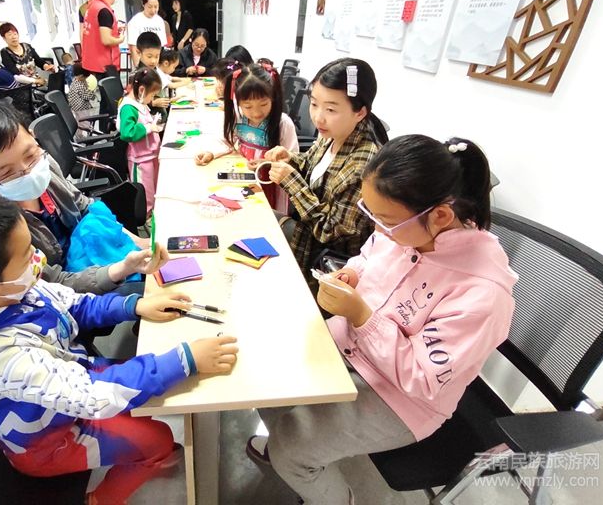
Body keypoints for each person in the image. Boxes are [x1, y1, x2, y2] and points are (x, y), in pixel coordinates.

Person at [0, 189, 239, 504]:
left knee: (154, 391)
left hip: (67, 387)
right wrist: (185, 359)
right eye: (27, 255)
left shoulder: (14, 291)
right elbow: (93, 396)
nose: (39, 258)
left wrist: (134, 306)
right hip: (47, 441)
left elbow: (76, 305)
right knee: (159, 439)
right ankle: (99, 499)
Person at [246, 134, 516, 505]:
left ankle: (309, 473)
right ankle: (293, 450)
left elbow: (421, 378)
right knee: (261, 378)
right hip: (349, 346)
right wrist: (351, 275)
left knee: (292, 452)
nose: (377, 228)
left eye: (384, 220)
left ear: (440, 215)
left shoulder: (482, 292)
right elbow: (367, 258)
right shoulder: (403, 230)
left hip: (402, 398)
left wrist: (361, 315)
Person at [0, 99, 157, 295]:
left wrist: (136, 242)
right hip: (57, 294)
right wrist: (122, 269)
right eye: (6, 173)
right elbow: (50, 284)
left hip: (89, 259)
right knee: (151, 293)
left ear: (32, 136)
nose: (28, 171)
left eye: (30, 155)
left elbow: (83, 206)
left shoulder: (41, 162)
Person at [262, 58, 389, 274]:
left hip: (324, 260)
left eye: (330, 109)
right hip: (305, 231)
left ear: (360, 112)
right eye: (314, 104)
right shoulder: (333, 132)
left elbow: (330, 232)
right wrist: (290, 158)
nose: (318, 118)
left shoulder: (364, 166)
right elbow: (313, 165)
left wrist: (292, 182)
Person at [195, 63, 298, 212]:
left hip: (271, 182)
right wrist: (210, 153)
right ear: (237, 102)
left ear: (273, 98)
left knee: (267, 213)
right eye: (248, 107)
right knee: (244, 211)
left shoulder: (283, 123)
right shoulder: (238, 117)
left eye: (264, 104)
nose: (256, 113)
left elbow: (293, 157)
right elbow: (225, 141)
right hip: (244, 175)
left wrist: (267, 163)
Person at [117, 68, 164, 218]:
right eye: (152, 95)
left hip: (150, 154)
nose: (152, 99)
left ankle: (153, 215)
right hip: (140, 160)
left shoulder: (139, 102)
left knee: (154, 190)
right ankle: (146, 221)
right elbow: (127, 132)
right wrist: (148, 127)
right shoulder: (128, 107)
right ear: (142, 90)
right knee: (145, 195)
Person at [81, 0, 125, 80]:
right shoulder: (104, 10)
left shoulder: (92, 6)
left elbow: (95, 30)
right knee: (111, 92)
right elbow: (106, 40)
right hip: (104, 67)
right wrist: (120, 39)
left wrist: (115, 29)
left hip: (91, 63)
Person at [127, 0, 166, 66]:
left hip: (156, 63)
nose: (153, 10)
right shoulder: (135, 21)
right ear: (143, 4)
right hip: (142, 62)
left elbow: (161, 46)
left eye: (156, 7)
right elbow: (133, 47)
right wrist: (138, 66)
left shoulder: (160, 21)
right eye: (150, 7)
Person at [67, 63, 101, 138]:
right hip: (81, 107)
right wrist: (93, 93)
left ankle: (78, 135)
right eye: (85, 78)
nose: (86, 79)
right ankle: (86, 136)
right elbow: (86, 96)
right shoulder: (80, 85)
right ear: (81, 76)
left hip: (75, 107)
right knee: (85, 121)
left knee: (79, 121)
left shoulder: (74, 81)